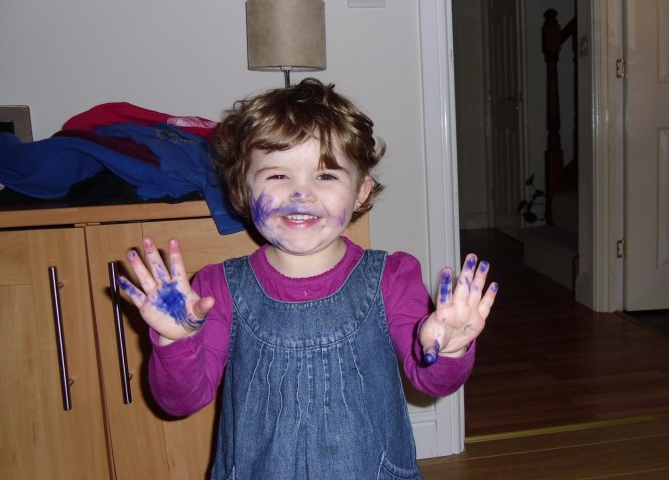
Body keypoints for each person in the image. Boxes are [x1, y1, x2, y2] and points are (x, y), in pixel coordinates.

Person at [118, 78, 498, 480]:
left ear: (361, 190)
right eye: (277, 176)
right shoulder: (217, 289)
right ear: (243, 190)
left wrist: (451, 349)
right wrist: (176, 341)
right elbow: (180, 401)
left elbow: (434, 382)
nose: (301, 194)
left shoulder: (393, 278)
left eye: (326, 176)